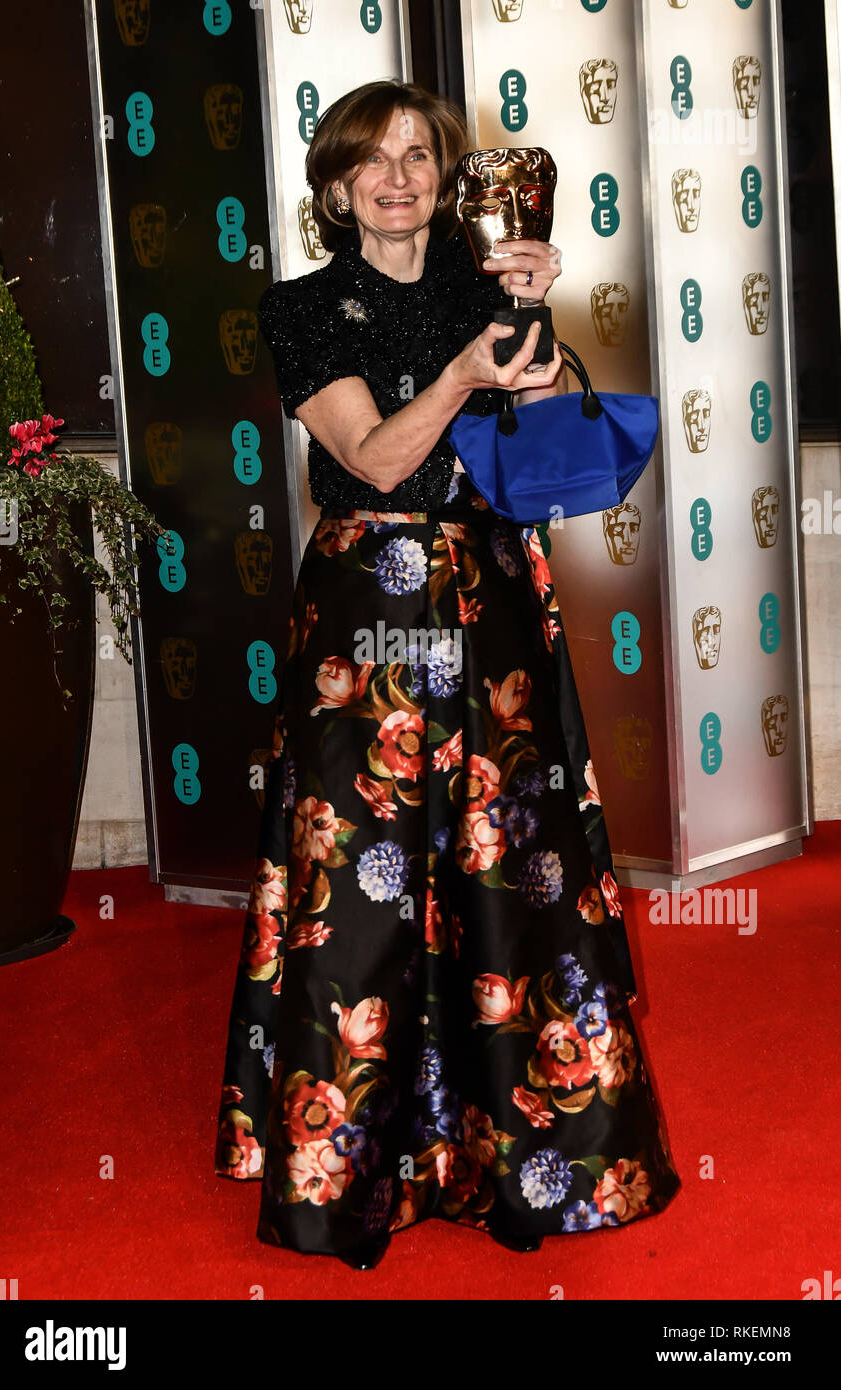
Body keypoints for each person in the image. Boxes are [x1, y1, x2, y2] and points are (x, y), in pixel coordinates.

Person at [215, 79, 680, 1269]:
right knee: (356, 884)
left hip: (490, 611)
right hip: (367, 619)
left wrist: (530, 323)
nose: (400, 176)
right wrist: (466, 372)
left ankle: (530, 1159)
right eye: (372, 159)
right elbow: (372, 455)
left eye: (420, 155)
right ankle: (348, 1172)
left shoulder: (486, 293)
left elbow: (546, 422)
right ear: (334, 187)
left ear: (445, 180)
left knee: (509, 869)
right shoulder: (303, 309)